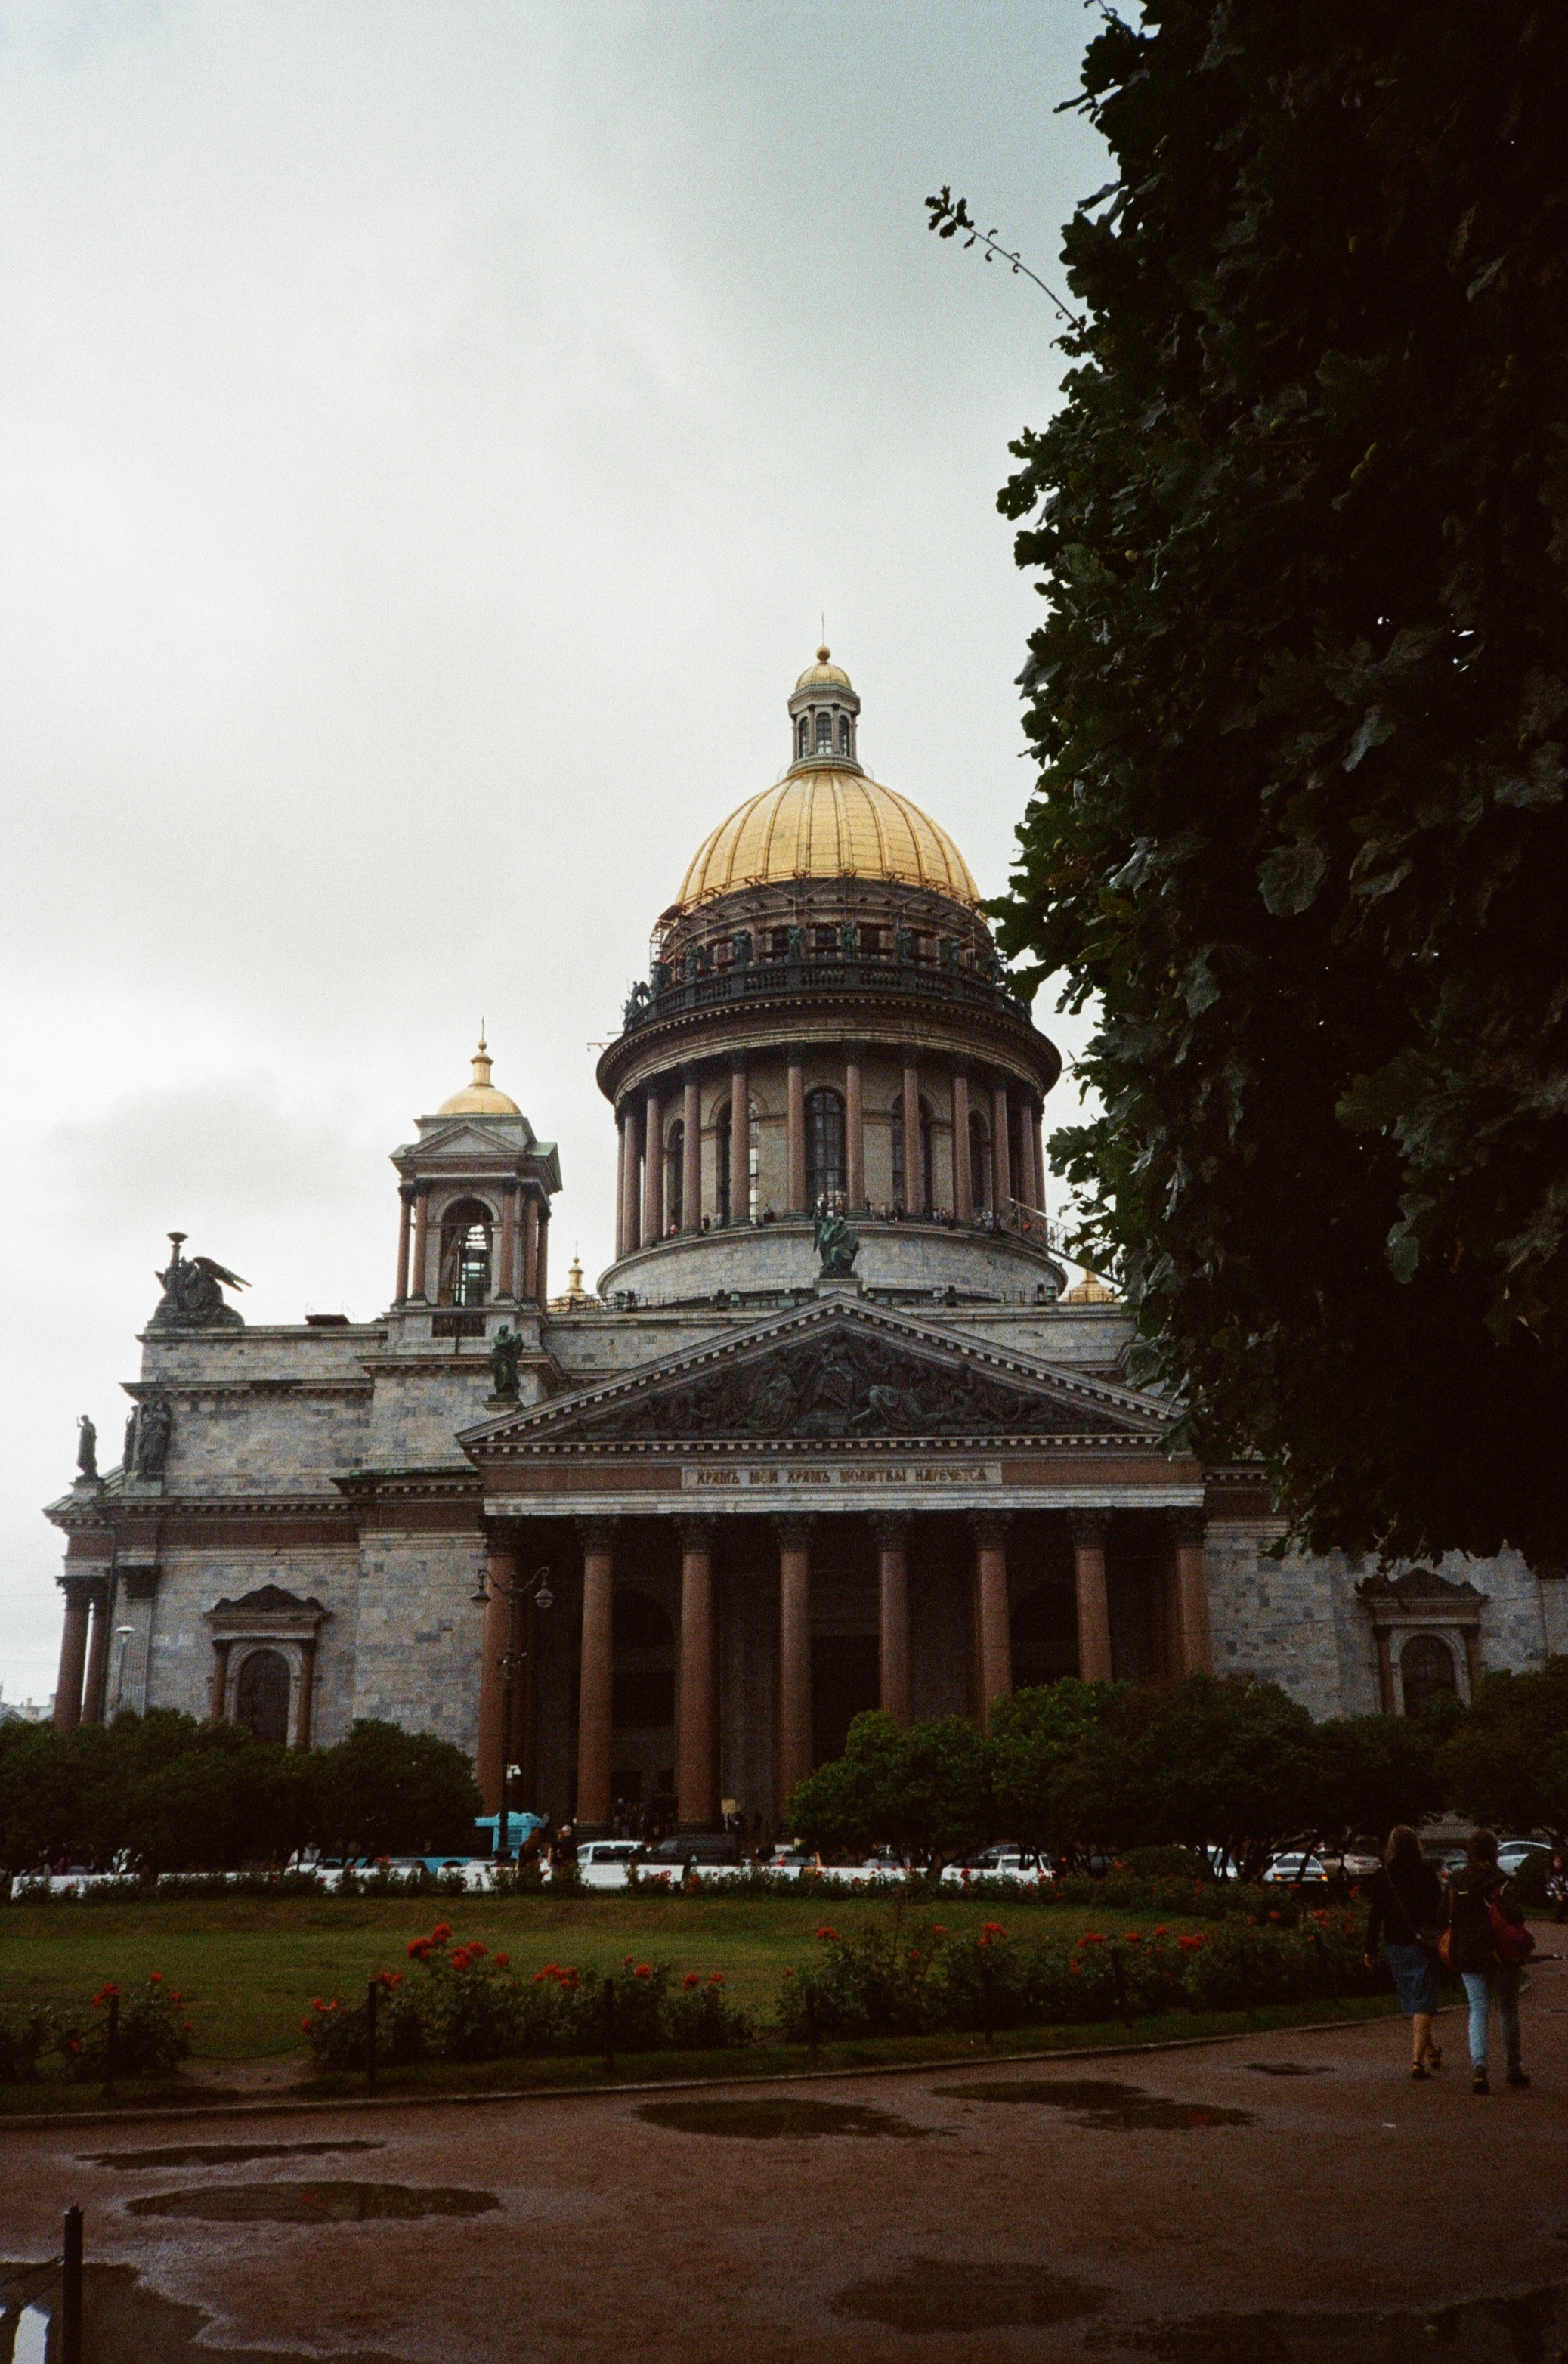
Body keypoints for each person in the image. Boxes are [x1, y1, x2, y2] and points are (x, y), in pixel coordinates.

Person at [1445, 1827, 1531, 2094]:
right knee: (1508, 2011)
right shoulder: (1500, 1881)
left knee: (1478, 2008)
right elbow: (1515, 1915)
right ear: (1494, 1852)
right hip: (1500, 1954)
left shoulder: (1457, 1882)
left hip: (1468, 1954)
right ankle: (1513, 2068)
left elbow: (1443, 1916)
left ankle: (1479, 2067)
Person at [1363, 1825, 1445, 2079]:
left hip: (1395, 1943)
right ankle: (1417, 2061)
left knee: (1414, 1999)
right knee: (1422, 2000)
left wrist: (1370, 1947)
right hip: (1423, 1943)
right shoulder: (1426, 1874)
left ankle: (1429, 2050)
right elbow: (1439, 1910)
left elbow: (1376, 1913)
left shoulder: (1385, 1875)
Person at [1547, 1852, 1568, 1926]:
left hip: (1563, 1892)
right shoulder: (1550, 1873)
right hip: (1552, 1892)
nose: (1559, 1864)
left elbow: (1566, 1883)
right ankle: (1558, 1918)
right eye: (1557, 1862)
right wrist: (1558, 1895)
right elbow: (1552, 1885)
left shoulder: (1564, 1873)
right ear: (1553, 1862)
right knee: (1559, 1900)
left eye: (1560, 1862)